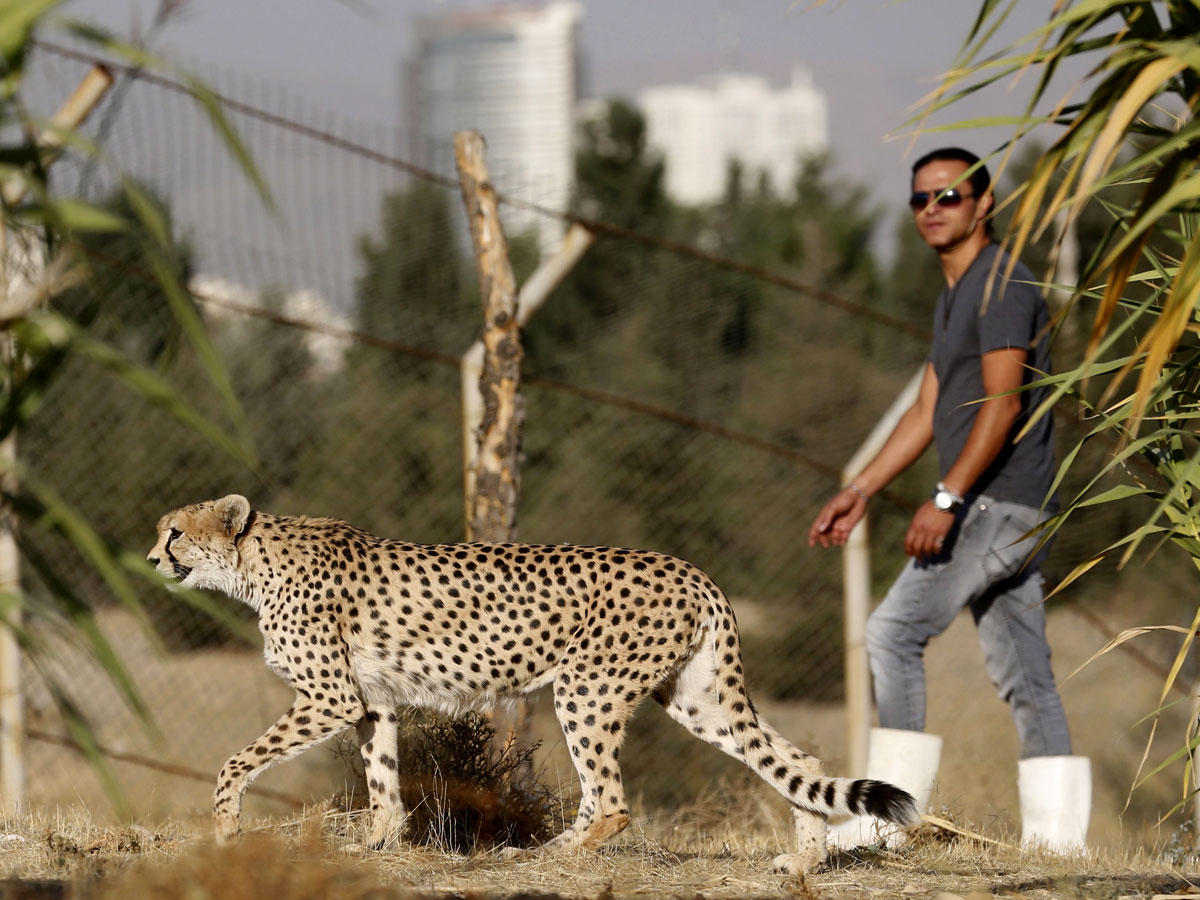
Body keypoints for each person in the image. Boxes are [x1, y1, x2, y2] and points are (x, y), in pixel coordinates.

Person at [808, 147, 1089, 852]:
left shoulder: (1002, 285)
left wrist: (946, 496)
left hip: (997, 505)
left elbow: (1003, 403)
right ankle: (1058, 847)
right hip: (1005, 508)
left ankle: (884, 824)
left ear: (984, 202)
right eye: (920, 199)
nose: (933, 209)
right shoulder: (956, 295)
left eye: (950, 196)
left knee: (892, 633)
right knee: (1028, 676)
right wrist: (860, 489)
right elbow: (930, 409)